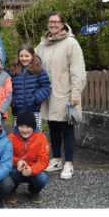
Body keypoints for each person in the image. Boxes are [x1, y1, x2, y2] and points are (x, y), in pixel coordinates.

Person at [36, 12, 86, 181]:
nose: (53, 25)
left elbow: (77, 70)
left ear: (63, 24)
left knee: (67, 129)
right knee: (53, 127)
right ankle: (56, 159)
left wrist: (76, 93)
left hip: (65, 94)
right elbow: (32, 63)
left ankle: (69, 164)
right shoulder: (42, 45)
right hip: (48, 95)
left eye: (57, 22)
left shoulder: (71, 43)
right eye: (51, 22)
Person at [6, 111, 50, 204]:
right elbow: (6, 157)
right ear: (17, 126)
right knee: (9, 174)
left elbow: (44, 161)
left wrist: (32, 169)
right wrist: (17, 162)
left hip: (32, 170)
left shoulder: (41, 138)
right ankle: (11, 191)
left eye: (28, 127)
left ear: (33, 127)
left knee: (42, 178)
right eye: (21, 126)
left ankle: (34, 191)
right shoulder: (10, 138)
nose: (24, 130)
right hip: (16, 169)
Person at [9, 43, 52, 133]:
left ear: (32, 56)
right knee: (18, 137)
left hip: (34, 111)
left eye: (26, 56)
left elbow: (46, 86)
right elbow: (8, 88)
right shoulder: (12, 71)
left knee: (35, 137)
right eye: (21, 56)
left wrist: (35, 98)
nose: (24, 59)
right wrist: (13, 101)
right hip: (17, 112)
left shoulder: (39, 71)